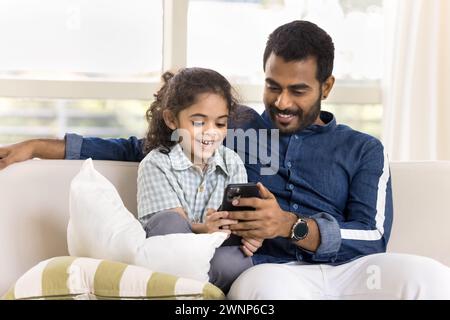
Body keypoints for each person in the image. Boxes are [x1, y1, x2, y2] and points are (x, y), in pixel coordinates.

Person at [1, 20, 450, 299]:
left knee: (429, 277)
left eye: (299, 90)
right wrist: (43, 146)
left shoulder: (363, 149)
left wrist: (289, 225)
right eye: (274, 86)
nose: (283, 102)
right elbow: (140, 147)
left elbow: (373, 235)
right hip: (275, 271)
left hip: (355, 271)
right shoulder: (236, 127)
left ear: (327, 87)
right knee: (257, 290)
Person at [137, 67, 261, 293]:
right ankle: (192, 284)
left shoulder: (232, 162)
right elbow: (171, 231)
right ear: (171, 119)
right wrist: (207, 229)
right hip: (171, 250)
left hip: (214, 255)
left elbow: (238, 226)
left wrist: (251, 236)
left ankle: (188, 285)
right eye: (198, 122)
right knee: (169, 222)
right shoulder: (156, 163)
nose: (211, 132)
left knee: (239, 258)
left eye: (220, 124)